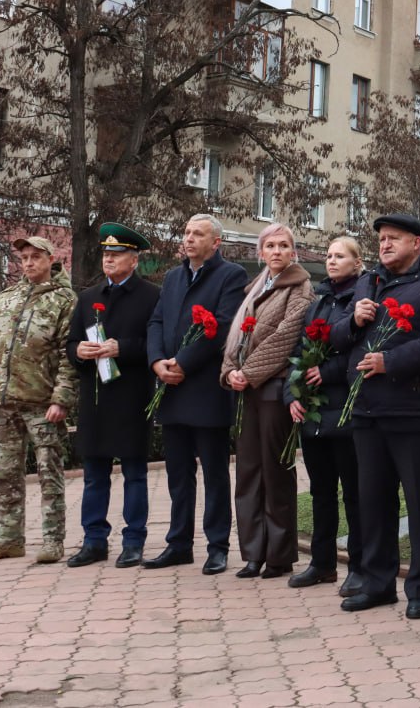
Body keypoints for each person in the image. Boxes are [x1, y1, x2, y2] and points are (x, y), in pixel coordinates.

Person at [331, 213, 420, 620]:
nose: (384, 244)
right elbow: (336, 337)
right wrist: (353, 321)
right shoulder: (369, 281)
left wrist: (391, 361)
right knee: (373, 503)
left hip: (413, 409)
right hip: (368, 410)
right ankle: (377, 583)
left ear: (417, 243)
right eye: (381, 239)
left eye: (394, 238)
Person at [144, 213, 248, 575]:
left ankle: (217, 545)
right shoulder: (173, 277)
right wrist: (157, 361)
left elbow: (221, 327)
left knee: (215, 473)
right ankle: (179, 544)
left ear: (215, 242)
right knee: (177, 473)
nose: (189, 239)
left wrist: (184, 363)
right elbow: (157, 321)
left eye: (198, 234)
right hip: (171, 388)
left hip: (205, 389)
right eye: (186, 232)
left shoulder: (231, 275)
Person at [0, 235, 77, 565]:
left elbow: (68, 356)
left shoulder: (64, 300)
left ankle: (52, 539)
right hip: (4, 402)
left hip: (41, 403)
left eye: (35, 256)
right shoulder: (7, 298)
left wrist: (61, 399)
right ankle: (9, 538)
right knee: (5, 475)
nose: (28, 263)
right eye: (24, 257)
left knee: (49, 474)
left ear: (50, 258)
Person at [220, 223, 314, 579]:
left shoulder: (300, 288)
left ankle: (278, 555)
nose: (276, 251)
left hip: (273, 390)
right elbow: (235, 338)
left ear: (294, 252)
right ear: (260, 252)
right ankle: (252, 553)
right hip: (247, 393)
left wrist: (249, 373)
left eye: (283, 245)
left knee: (275, 473)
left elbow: (284, 337)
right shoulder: (255, 288)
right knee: (247, 472)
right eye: (270, 246)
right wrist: (230, 371)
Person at [65, 223, 161, 568]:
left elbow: (157, 346)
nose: (109, 259)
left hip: (132, 397)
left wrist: (123, 348)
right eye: (106, 254)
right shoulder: (88, 297)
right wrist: (80, 352)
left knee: (134, 473)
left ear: (133, 260)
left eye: (116, 254)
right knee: (94, 474)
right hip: (95, 399)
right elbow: (70, 343)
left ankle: (134, 540)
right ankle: (94, 540)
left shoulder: (151, 296)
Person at [285, 236, 367, 597]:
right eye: (329, 256)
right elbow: (299, 353)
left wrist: (329, 372)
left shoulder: (362, 300)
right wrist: (292, 395)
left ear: (357, 262)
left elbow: (359, 350)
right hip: (315, 413)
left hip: (347, 410)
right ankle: (322, 563)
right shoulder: (319, 303)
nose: (331, 261)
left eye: (340, 256)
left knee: (354, 494)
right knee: (321, 492)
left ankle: (359, 566)